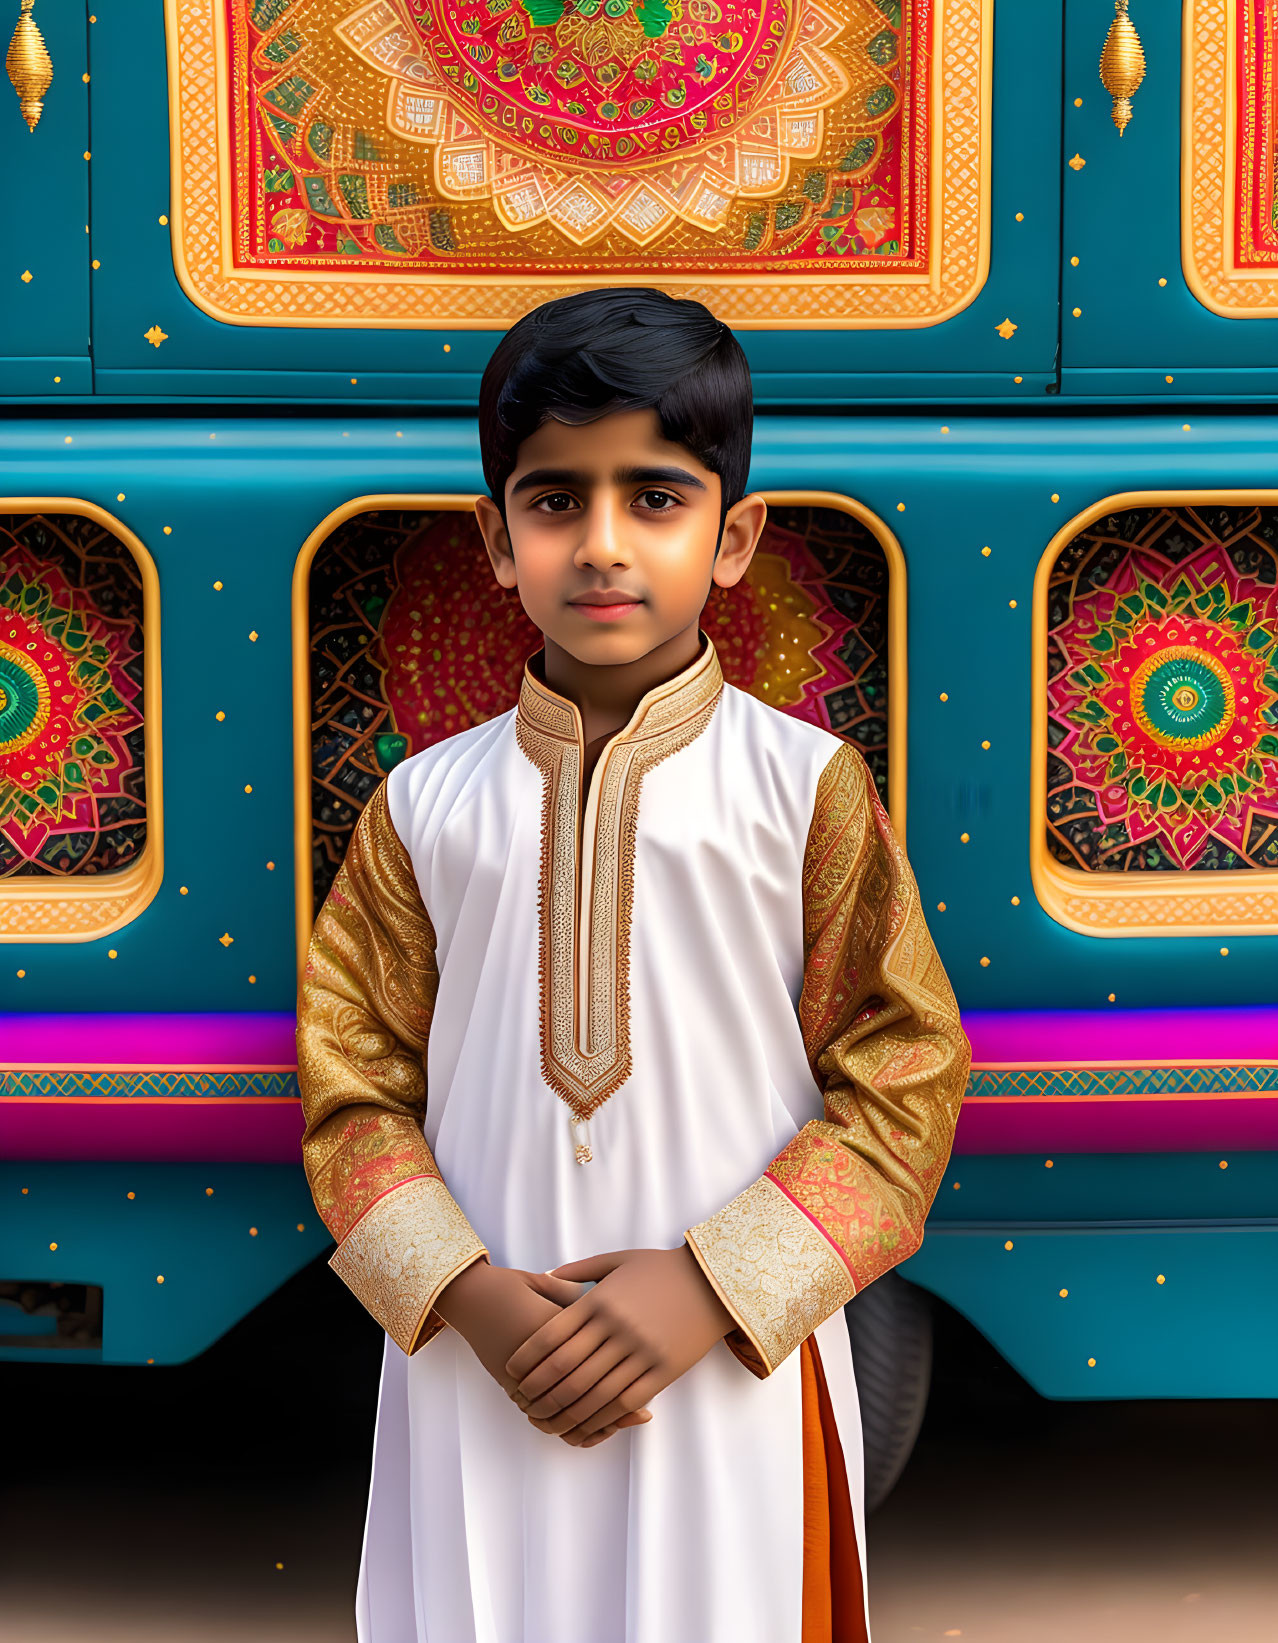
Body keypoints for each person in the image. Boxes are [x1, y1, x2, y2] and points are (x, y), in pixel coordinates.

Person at [295, 286, 972, 1643]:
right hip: (476, 1366)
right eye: (555, 502)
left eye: (654, 498)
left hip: (724, 1362)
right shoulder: (422, 807)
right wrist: (469, 1298)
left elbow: (903, 1072)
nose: (602, 546)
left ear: (734, 539)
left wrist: (709, 1285)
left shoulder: (804, 788)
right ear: (495, 539)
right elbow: (351, 1096)